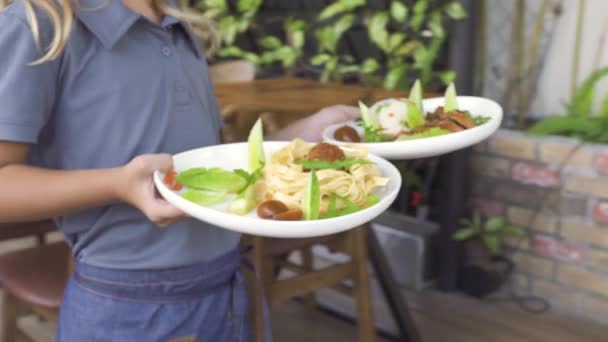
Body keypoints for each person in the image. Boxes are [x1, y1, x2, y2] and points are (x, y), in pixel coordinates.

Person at [0, 0, 359, 340]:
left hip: (229, 289)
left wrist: (300, 139)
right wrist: (118, 184)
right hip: (129, 308)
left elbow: (213, 171)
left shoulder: (177, 21)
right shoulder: (38, 22)